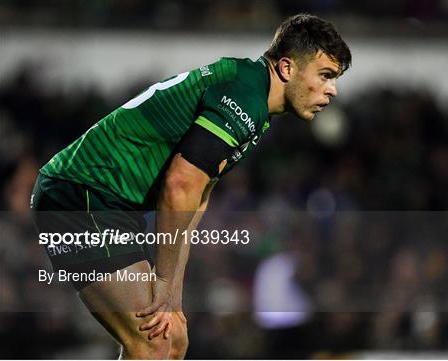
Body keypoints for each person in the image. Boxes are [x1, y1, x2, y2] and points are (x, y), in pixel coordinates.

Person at [31, 13, 351, 359]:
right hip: (82, 194)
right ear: (287, 68)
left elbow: (197, 197)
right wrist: (163, 283)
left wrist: (173, 288)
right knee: (156, 340)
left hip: (103, 201)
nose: (332, 90)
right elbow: (179, 186)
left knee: (172, 339)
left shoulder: (252, 96)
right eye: (325, 75)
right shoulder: (244, 99)